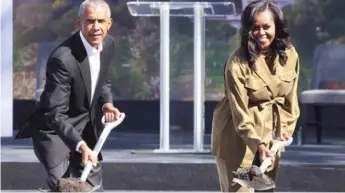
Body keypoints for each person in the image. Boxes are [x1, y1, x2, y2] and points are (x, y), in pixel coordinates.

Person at [14, 0, 120, 191]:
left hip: (85, 126)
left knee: (93, 188)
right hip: (54, 131)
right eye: (90, 21)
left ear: (109, 24)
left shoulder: (108, 45)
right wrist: (81, 146)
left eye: (101, 21)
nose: (96, 27)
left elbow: (102, 80)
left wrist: (107, 105)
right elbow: (55, 114)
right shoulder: (62, 59)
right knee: (65, 187)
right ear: (79, 23)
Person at [211, 0, 300, 192]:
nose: (261, 33)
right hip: (238, 138)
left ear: (277, 25)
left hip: (271, 136)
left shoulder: (290, 55)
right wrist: (257, 143)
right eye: (255, 28)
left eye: (266, 26)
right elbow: (240, 113)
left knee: (265, 190)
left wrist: (284, 129)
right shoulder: (237, 62)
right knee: (241, 190)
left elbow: (290, 101)